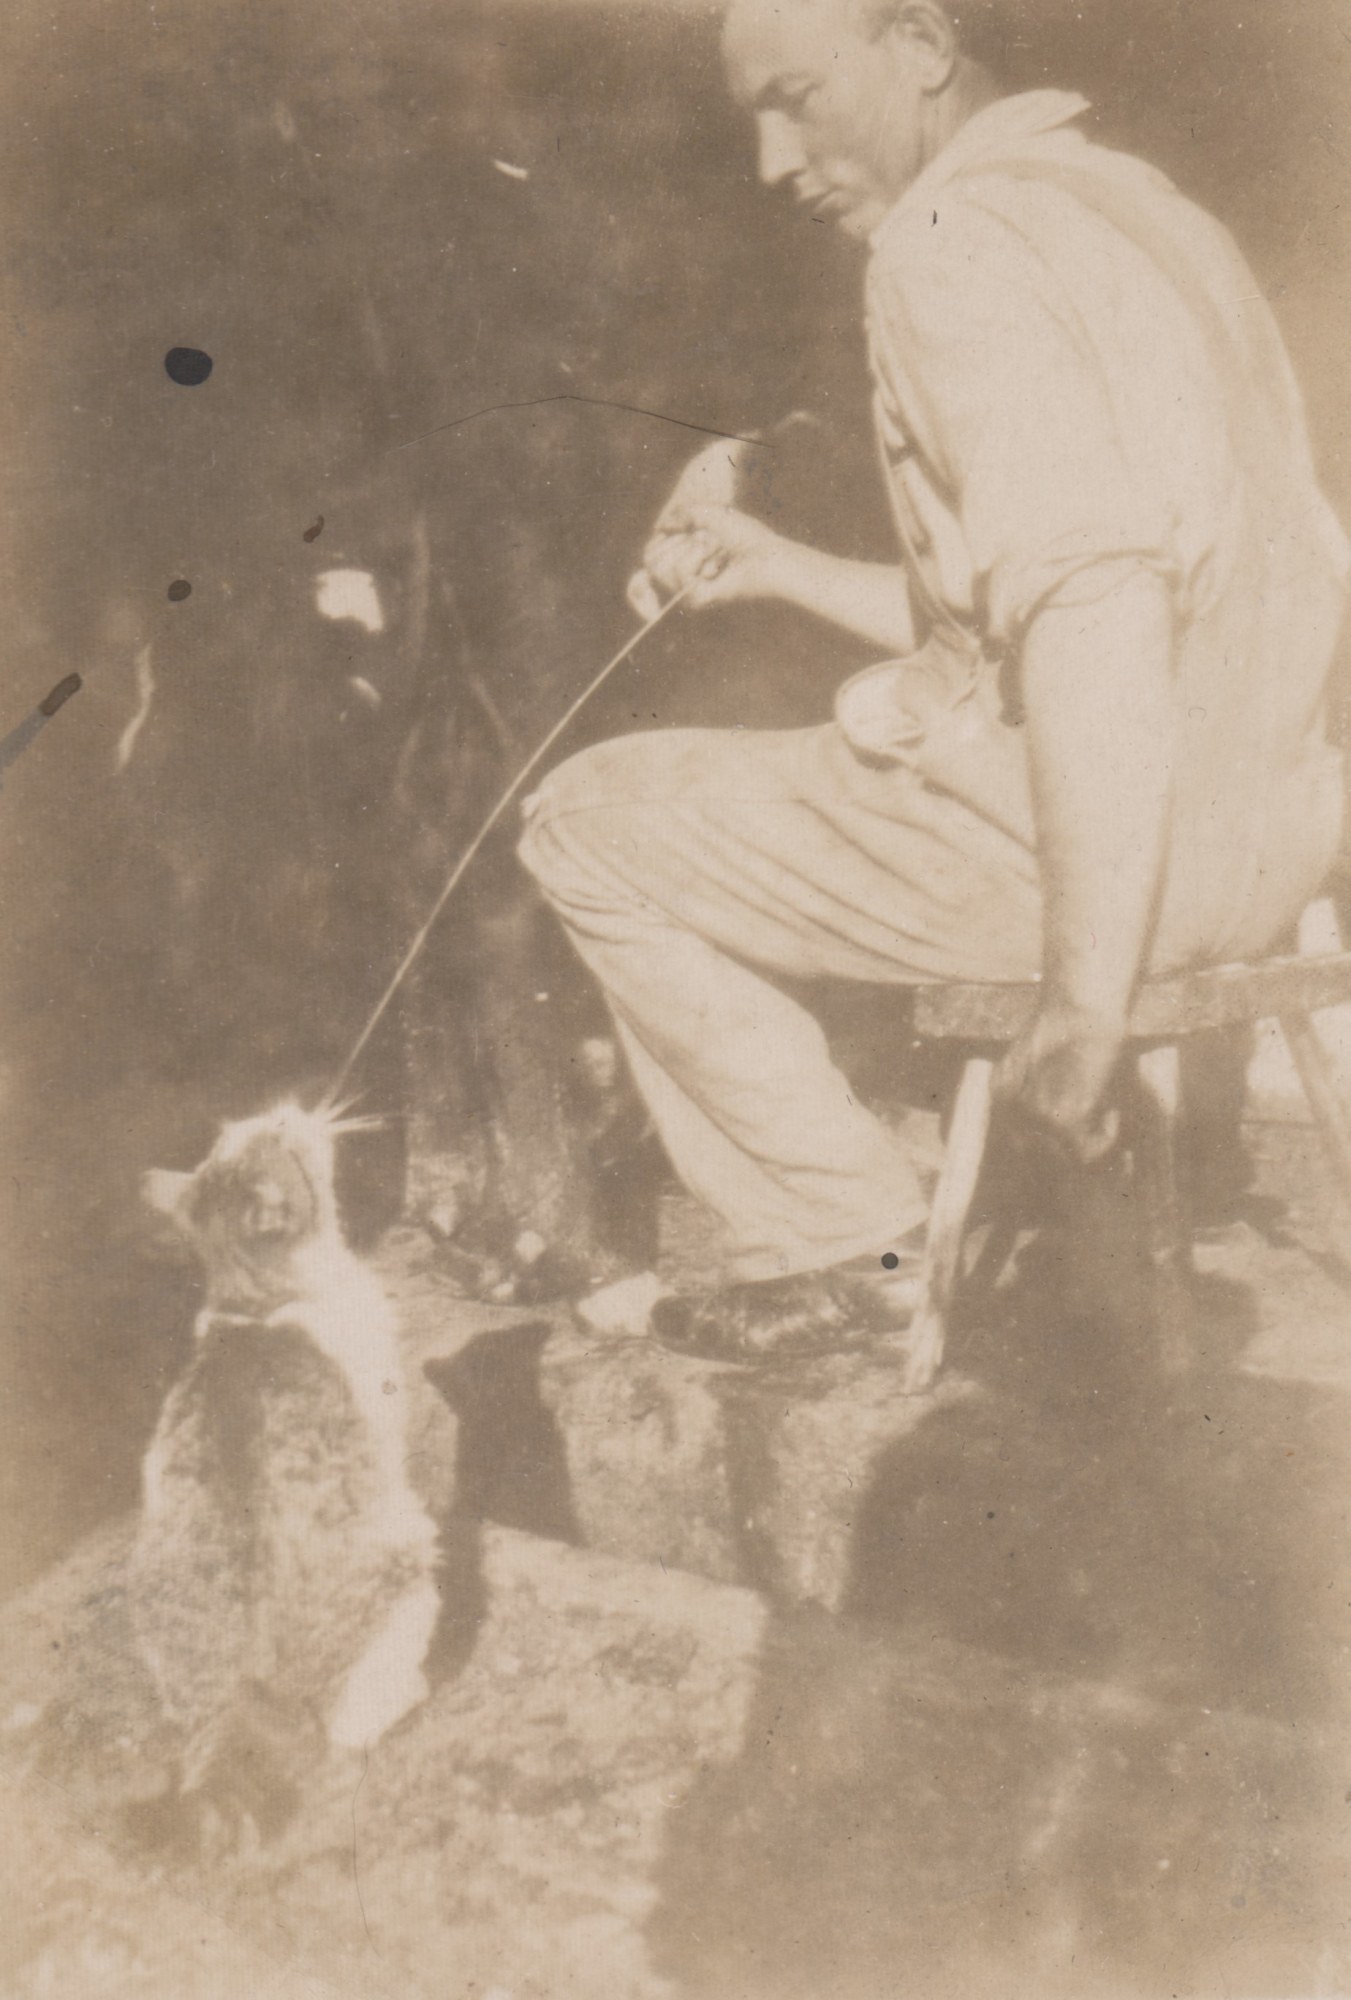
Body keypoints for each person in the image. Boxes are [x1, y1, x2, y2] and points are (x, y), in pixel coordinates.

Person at [518, 0, 1348, 1363]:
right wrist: (782, 568)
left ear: (919, 45)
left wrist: (1083, 1004)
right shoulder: (1154, 217)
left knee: (588, 821)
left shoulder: (944, 242)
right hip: (1274, 854)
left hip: (1111, 882)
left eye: (796, 97)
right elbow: (1085, 592)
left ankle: (854, 1249)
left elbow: (1091, 603)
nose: (773, 162)